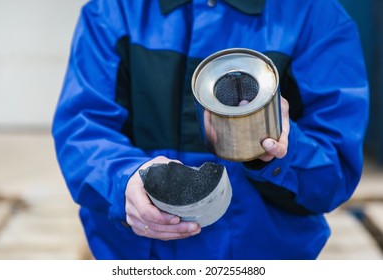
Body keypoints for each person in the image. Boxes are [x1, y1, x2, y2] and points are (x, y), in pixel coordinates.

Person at [52, 0, 369, 259]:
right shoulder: (112, 11)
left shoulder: (317, 16)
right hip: (137, 259)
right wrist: (123, 183)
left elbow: (333, 172)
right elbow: (83, 131)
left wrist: (280, 151)